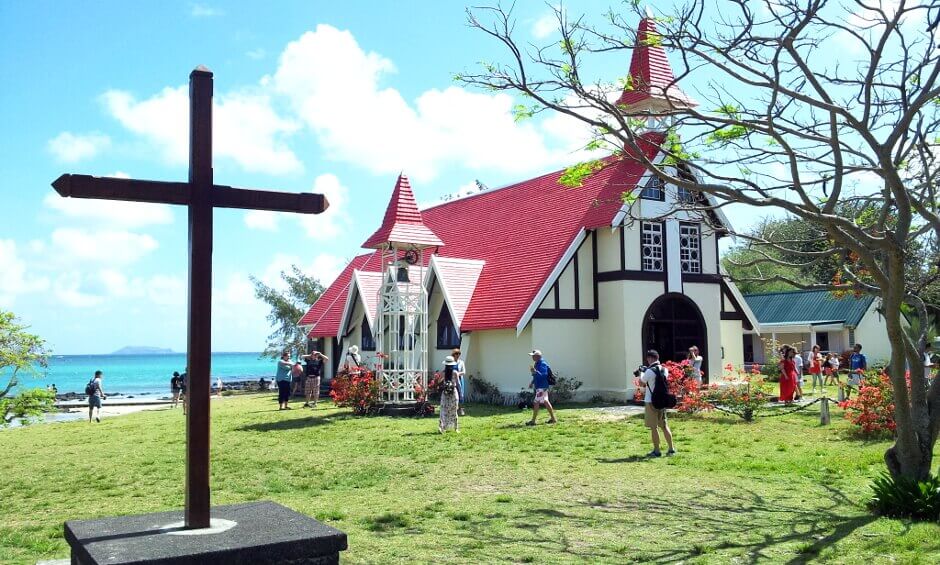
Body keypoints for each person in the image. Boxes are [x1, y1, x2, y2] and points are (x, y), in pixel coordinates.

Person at [639, 349, 675, 457]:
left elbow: (641, 383)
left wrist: (642, 372)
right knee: (664, 426)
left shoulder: (649, 372)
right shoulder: (665, 370)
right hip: (662, 400)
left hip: (651, 401)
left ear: (650, 358)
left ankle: (657, 450)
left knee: (654, 427)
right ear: (657, 358)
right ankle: (671, 449)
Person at [526, 349, 557, 426]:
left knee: (536, 402)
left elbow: (543, 375)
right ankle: (553, 419)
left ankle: (533, 421)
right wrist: (532, 382)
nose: (532, 357)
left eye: (533, 356)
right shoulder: (537, 363)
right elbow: (536, 376)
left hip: (541, 386)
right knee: (546, 401)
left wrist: (535, 371)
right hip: (542, 386)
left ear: (537, 356)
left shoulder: (542, 363)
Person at [439, 356, 460, 433]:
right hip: (453, 392)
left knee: (443, 409)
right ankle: (456, 428)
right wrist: (461, 393)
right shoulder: (455, 373)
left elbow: (439, 382)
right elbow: (458, 384)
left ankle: (442, 427)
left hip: (445, 393)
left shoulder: (443, 373)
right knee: (454, 410)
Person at [452, 348, 467, 415]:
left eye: (459, 354)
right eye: (456, 354)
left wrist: (458, 374)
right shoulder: (451, 362)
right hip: (452, 380)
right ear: (453, 355)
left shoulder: (461, 362)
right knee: (454, 394)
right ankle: (454, 408)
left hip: (460, 379)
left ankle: (461, 409)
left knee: (461, 394)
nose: (458, 355)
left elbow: (464, 372)